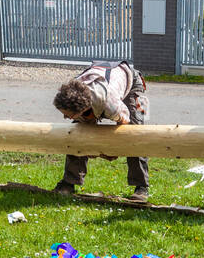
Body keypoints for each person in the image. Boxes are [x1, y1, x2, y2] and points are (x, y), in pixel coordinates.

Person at [52, 61, 150, 202]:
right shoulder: (73, 91)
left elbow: (124, 122)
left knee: (136, 133)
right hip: (98, 89)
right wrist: (90, 149)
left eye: (67, 114)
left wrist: (113, 150)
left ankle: (141, 187)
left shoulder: (110, 105)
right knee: (76, 135)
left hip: (133, 82)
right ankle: (68, 183)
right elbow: (86, 127)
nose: (65, 117)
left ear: (81, 109)